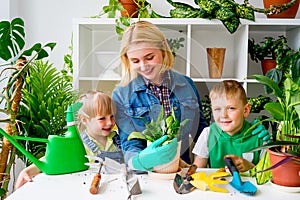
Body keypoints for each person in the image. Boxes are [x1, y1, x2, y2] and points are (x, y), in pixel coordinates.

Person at [111, 21, 208, 172]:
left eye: (149, 57)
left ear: (163, 48)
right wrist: (140, 161)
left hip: (181, 172)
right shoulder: (121, 94)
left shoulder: (186, 85)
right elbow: (129, 144)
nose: (143, 66)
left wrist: (235, 138)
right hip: (146, 174)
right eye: (135, 61)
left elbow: (202, 133)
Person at [15, 90, 123, 189]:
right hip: (86, 190)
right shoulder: (77, 143)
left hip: (117, 189)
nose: (110, 122)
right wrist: (28, 170)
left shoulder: (119, 139)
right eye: (102, 118)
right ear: (85, 120)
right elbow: (51, 159)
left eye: (112, 116)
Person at [192, 80, 265, 172]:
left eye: (231, 108)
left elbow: (269, 176)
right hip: (216, 185)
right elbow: (196, 172)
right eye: (217, 109)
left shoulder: (259, 138)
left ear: (245, 110)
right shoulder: (208, 134)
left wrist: (250, 167)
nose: (223, 115)